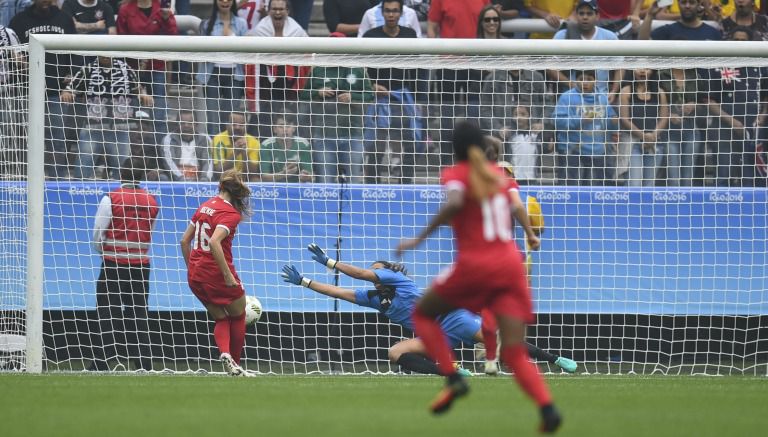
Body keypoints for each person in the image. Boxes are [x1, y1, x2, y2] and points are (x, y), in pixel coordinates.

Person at [395, 121, 561, 432]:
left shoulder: (456, 174)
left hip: (475, 265)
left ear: (455, 149)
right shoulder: (500, 178)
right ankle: (547, 408)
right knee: (513, 350)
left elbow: (456, 203)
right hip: (511, 265)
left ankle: (454, 376)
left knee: (423, 313)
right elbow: (514, 206)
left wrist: (418, 239)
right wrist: (530, 235)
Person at [280, 244, 577, 376]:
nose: (373, 270)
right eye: (374, 268)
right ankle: (451, 373)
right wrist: (304, 281)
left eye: (377, 268)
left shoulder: (397, 279)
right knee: (395, 352)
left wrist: (330, 263)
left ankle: (556, 359)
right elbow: (337, 291)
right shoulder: (373, 298)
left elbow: (357, 274)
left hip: (453, 318)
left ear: (385, 271)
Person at [180, 169, 253, 377]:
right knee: (239, 315)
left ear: (220, 186)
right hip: (217, 274)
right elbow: (214, 242)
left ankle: (225, 354)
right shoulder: (231, 214)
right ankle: (236, 365)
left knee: (221, 318)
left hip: (196, 275)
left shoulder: (204, 206)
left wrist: (192, 268)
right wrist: (228, 276)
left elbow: (184, 240)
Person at [89, 157, 159, 372]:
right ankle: (143, 363)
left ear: (121, 174)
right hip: (140, 265)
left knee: (107, 313)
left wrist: (105, 251)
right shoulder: (151, 201)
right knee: (138, 313)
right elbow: (149, 231)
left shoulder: (111, 198)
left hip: (113, 264)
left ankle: (101, 362)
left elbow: (97, 235)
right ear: (142, 176)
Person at [61, 56, 154, 180]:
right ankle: (80, 193)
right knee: (83, 167)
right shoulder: (88, 69)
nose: (104, 56)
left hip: (119, 127)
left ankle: (121, 194)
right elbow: (69, 89)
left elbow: (138, 88)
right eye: (101, 53)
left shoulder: (125, 69)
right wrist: (67, 93)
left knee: (122, 169)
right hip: (93, 126)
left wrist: (143, 95)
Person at [553, 69, 618, 186]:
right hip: (572, 151)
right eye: (581, 79)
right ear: (575, 80)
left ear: (595, 81)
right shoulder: (566, 97)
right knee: (571, 191)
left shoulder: (602, 98)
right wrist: (581, 120)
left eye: (589, 79)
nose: (585, 83)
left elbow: (610, 120)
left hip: (597, 152)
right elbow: (557, 121)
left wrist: (614, 120)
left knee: (593, 193)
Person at [198, 0, 248, 138]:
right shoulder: (207, 24)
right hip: (211, 74)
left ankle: (230, 153)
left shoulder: (241, 24)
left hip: (235, 75)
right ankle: (214, 155)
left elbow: (247, 50)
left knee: (231, 118)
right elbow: (201, 50)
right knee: (213, 118)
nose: (225, 2)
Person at [619, 68, 669, 187]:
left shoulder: (660, 92)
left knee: (649, 186)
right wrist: (644, 136)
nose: (642, 71)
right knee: (634, 184)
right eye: (639, 67)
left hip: (654, 144)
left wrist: (653, 136)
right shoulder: (626, 91)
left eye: (646, 68)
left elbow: (664, 118)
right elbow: (625, 119)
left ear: (652, 71)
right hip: (633, 143)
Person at [161, 108, 214, 181]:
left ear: (196, 124)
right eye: (182, 123)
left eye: (190, 123)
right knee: (163, 178)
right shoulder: (169, 139)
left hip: (199, 180)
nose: (186, 126)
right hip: (177, 180)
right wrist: (181, 179)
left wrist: (204, 179)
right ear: (177, 124)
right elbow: (169, 163)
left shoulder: (205, 139)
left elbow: (208, 162)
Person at [259, 114, 314, 182]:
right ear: (274, 129)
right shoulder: (266, 145)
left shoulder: (303, 144)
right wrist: (283, 174)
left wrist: (306, 176)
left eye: (288, 125)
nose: (285, 129)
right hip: (274, 188)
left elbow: (312, 176)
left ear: (294, 128)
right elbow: (263, 177)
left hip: (297, 187)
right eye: (281, 126)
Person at [211, 110, 261, 181]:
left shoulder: (254, 142)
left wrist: (244, 153)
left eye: (241, 125)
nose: (237, 127)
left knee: (255, 180)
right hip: (225, 179)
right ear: (227, 125)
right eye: (234, 124)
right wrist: (235, 153)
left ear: (247, 126)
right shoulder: (219, 139)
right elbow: (219, 171)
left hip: (245, 179)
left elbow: (253, 173)